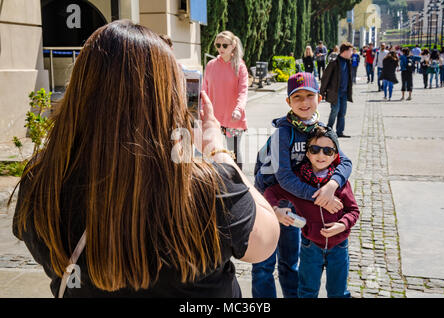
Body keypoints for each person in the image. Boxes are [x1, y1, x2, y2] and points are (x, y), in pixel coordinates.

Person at [11, 20, 280, 298]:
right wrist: (220, 152)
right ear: (168, 96)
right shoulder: (205, 186)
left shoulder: (41, 180)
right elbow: (265, 242)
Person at [253, 72, 353, 298]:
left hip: (294, 206)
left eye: (309, 95)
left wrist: (331, 187)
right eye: (297, 97)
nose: (304, 102)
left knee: (290, 262)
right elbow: (284, 178)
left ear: (320, 98)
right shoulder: (283, 133)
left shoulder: (319, 130)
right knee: (263, 265)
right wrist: (319, 197)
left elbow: (344, 160)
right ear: (288, 102)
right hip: (270, 204)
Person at [263, 126, 360, 298]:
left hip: (339, 245)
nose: (321, 155)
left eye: (328, 151)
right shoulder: (298, 179)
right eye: (315, 149)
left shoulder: (340, 182)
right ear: (307, 153)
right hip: (310, 246)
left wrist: (342, 225)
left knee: (339, 292)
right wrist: (275, 210)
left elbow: (353, 211)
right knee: (307, 291)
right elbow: (272, 192)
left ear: (335, 155)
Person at [203, 31, 248, 169]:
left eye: (224, 45)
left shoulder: (240, 66)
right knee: (213, 152)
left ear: (233, 45)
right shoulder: (211, 65)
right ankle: (218, 181)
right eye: (217, 45)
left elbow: (243, 91)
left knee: (233, 152)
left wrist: (238, 109)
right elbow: (204, 89)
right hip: (214, 118)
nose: (220, 49)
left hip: (233, 118)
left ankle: (238, 182)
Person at [320, 42, 354, 138]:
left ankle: (340, 132)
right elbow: (325, 78)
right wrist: (321, 93)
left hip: (344, 92)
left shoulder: (348, 62)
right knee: (335, 110)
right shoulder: (334, 62)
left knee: (342, 112)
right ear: (345, 51)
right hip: (335, 92)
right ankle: (328, 129)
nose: (351, 53)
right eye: (350, 51)